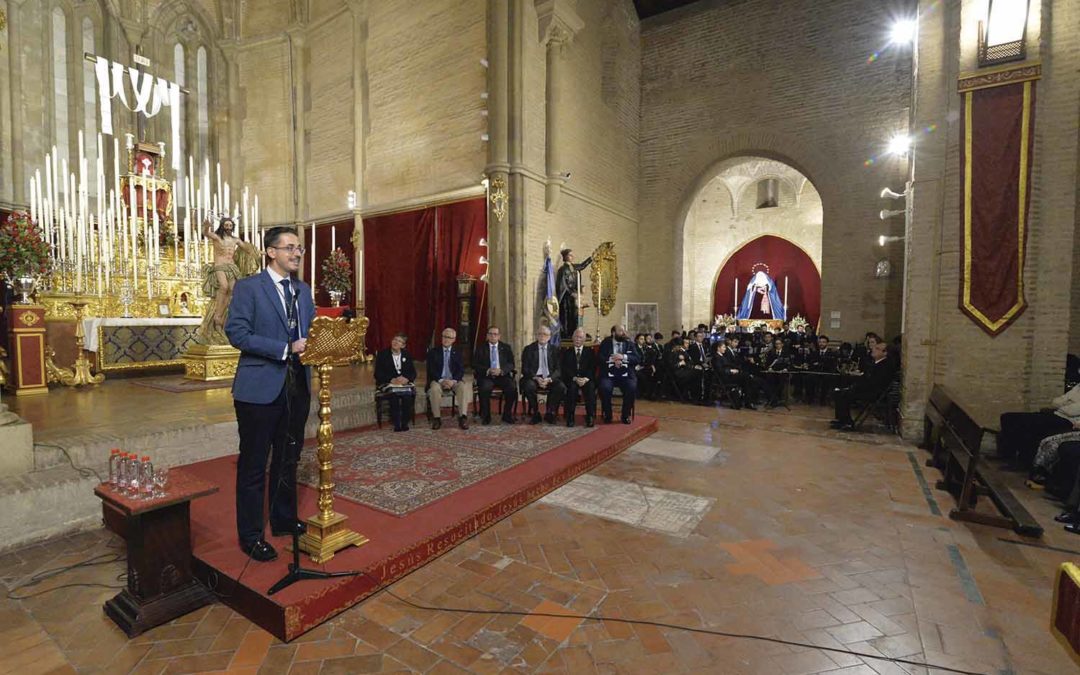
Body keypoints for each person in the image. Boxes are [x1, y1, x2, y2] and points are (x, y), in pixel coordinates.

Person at [225, 226, 313, 562]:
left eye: (299, 248)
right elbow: (237, 332)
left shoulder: (302, 291)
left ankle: (283, 519)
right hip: (259, 389)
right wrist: (284, 348)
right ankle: (250, 535)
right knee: (253, 464)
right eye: (289, 247)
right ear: (270, 252)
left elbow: (313, 331)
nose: (296, 253)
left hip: (297, 387)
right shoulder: (249, 288)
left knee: (288, 458)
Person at [200, 216, 259, 344]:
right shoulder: (217, 237)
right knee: (224, 287)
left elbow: (247, 249)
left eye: (230, 225)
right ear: (222, 226)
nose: (228, 227)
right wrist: (206, 226)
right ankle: (217, 316)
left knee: (233, 290)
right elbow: (206, 233)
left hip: (232, 267)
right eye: (226, 225)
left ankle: (224, 315)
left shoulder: (235, 240)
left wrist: (260, 253)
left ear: (233, 227)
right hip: (220, 266)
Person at [999, 383, 1080, 468]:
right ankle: (1007, 455)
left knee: (1027, 424)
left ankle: (1022, 462)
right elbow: (1055, 402)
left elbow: (1071, 411)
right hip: (1055, 414)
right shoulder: (1078, 387)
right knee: (1007, 417)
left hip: (1067, 421)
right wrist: (1067, 404)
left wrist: (1065, 403)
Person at [830, 341, 895, 430]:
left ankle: (847, 422)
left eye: (877, 349)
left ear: (885, 353)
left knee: (843, 394)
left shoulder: (885, 366)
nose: (873, 350)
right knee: (839, 392)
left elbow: (875, 382)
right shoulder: (876, 363)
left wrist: (856, 386)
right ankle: (842, 420)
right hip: (867, 389)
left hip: (873, 393)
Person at [425, 328, 471, 430]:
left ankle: (462, 417)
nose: (446, 339)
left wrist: (453, 381)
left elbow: (461, 370)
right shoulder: (433, 352)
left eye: (449, 337)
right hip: (438, 380)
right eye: (444, 336)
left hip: (453, 380)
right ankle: (436, 418)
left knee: (463, 387)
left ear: (453, 339)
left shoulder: (457, 352)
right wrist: (442, 381)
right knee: (434, 389)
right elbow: (431, 370)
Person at [520, 326, 565, 424]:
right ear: (536, 336)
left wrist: (549, 379)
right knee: (528, 386)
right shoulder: (529, 349)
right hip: (534, 377)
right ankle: (535, 412)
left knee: (560, 387)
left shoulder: (555, 350)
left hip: (549, 377)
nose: (542, 336)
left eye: (545, 334)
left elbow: (558, 369)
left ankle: (550, 412)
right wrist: (536, 378)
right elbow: (525, 369)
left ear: (549, 337)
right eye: (540, 334)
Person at [473, 326, 517, 424]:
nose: (493, 336)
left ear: (499, 336)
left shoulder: (506, 347)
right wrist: (488, 370)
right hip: (486, 376)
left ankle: (507, 415)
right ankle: (486, 416)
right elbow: (475, 364)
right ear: (487, 335)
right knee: (484, 388)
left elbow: (511, 364)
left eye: (495, 334)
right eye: (491, 334)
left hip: (502, 376)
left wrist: (501, 371)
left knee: (512, 387)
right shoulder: (480, 348)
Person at [375, 333, 417, 432]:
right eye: (394, 340)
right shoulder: (382, 354)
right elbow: (377, 374)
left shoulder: (407, 355)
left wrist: (407, 379)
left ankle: (405, 422)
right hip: (388, 382)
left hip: (403, 383)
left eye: (399, 341)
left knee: (407, 395)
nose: (395, 342)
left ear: (403, 345)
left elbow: (413, 373)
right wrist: (391, 380)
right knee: (394, 395)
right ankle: (397, 423)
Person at [598, 324, 639, 423]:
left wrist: (623, 357)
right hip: (609, 375)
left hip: (626, 375)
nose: (624, 333)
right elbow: (599, 358)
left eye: (624, 331)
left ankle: (625, 415)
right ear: (613, 333)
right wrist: (612, 359)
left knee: (631, 387)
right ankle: (608, 415)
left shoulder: (629, 343)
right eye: (621, 331)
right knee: (605, 387)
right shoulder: (605, 343)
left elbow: (637, 358)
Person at [555, 248, 593, 341]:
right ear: (565, 257)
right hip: (566, 298)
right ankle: (567, 334)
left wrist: (591, 258)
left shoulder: (573, 267)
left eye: (572, 255)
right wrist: (572, 293)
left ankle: (574, 333)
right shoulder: (562, 270)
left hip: (574, 297)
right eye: (570, 255)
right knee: (567, 317)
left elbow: (582, 266)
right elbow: (562, 284)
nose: (572, 257)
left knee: (575, 316)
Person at [562, 327, 597, 427]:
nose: (578, 339)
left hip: (586, 379)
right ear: (573, 338)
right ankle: (570, 416)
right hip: (572, 379)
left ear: (584, 339)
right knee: (572, 389)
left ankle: (590, 416)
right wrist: (575, 378)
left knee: (590, 388)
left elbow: (592, 367)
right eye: (576, 337)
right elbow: (565, 368)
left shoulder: (590, 352)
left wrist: (586, 378)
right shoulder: (567, 352)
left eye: (580, 337)